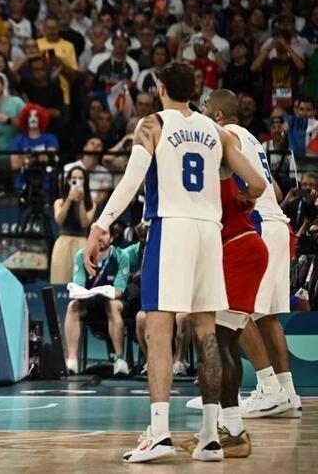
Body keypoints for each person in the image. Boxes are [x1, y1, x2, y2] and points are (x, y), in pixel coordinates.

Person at [85, 62, 265, 463]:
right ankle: (210, 437)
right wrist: (243, 200)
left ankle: (160, 433)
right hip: (209, 231)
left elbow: (132, 180)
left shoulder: (152, 125)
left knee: (159, 331)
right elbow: (257, 184)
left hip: (172, 227)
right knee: (206, 332)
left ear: (161, 89)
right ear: (192, 91)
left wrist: (101, 223)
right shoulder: (215, 130)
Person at [202, 91, 302, 420]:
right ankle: (288, 393)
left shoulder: (223, 137)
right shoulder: (253, 140)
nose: (200, 114)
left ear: (216, 115)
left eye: (204, 109)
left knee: (234, 311)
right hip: (278, 227)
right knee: (266, 316)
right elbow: (272, 190)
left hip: (256, 227)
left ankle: (267, 387)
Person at [63, 223, 131, 377]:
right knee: (73, 306)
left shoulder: (121, 256)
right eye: (96, 234)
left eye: (104, 233)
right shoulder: (82, 256)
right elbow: (78, 285)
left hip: (114, 302)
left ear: (112, 238)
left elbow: (119, 290)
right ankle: (72, 360)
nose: (100, 237)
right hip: (90, 302)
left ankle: (120, 361)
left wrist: (104, 292)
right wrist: (80, 292)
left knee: (112, 305)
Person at [50, 167, 96, 284]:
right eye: (74, 178)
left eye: (80, 178)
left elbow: (84, 223)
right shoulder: (59, 202)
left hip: (82, 243)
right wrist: (69, 199)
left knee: (81, 282)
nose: (77, 181)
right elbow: (59, 219)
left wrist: (80, 202)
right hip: (63, 243)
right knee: (59, 279)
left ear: (85, 181)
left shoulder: (91, 204)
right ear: (68, 181)